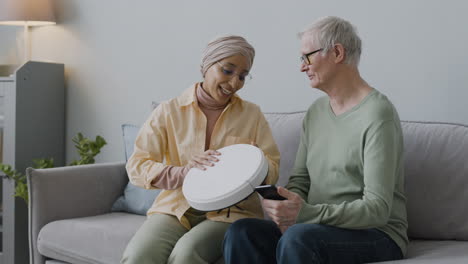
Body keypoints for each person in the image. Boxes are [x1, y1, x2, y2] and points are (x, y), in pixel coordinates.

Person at [223, 16, 408, 264]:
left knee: (299, 238)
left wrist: (305, 213)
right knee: (242, 232)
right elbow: (301, 180)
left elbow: (377, 209)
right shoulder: (316, 113)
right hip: (313, 227)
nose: (302, 67)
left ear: (337, 53)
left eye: (307, 56)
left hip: (377, 234)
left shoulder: (378, 114)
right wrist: (284, 206)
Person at [121, 35, 280, 264]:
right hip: (175, 207)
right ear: (206, 67)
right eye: (227, 71)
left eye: (243, 76)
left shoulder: (252, 115)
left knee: (186, 255)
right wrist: (184, 173)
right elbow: (137, 165)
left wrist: (252, 165)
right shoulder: (169, 111)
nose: (235, 83)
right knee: (138, 256)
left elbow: (273, 167)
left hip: (230, 213)